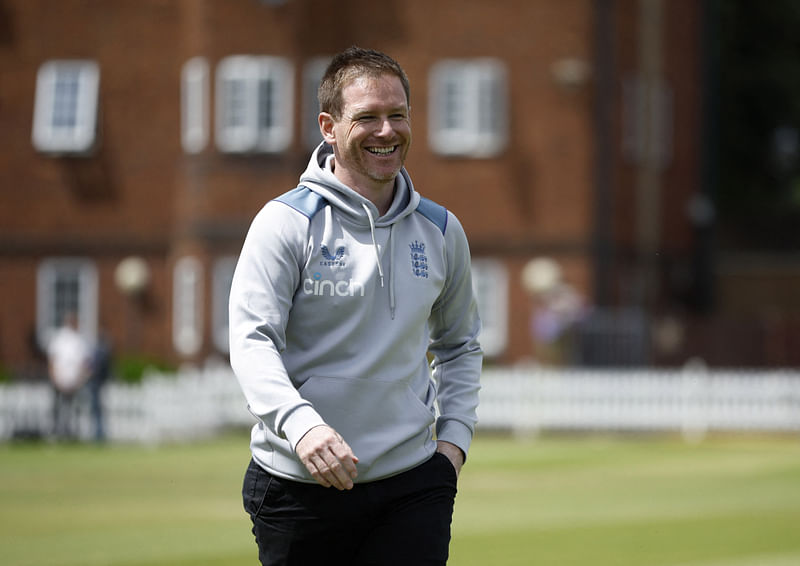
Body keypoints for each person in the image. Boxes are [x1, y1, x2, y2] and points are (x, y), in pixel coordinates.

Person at [229, 46, 482, 566]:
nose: (386, 131)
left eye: (397, 115)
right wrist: (303, 427)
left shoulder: (440, 230)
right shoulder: (284, 222)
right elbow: (252, 341)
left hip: (414, 484)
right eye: (367, 117)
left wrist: (452, 444)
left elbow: (459, 344)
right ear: (329, 126)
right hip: (299, 486)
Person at [46, 311, 91, 440]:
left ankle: (71, 433)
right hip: (60, 380)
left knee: (74, 410)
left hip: (74, 382)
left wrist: (81, 379)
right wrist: (55, 378)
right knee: (57, 408)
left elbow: (85, 363)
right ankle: (55, 432)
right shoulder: (59, 338)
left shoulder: (79, 340)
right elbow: (52, 361)